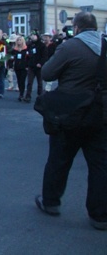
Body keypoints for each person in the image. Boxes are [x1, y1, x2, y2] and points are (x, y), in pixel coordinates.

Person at [35, 12, 107, 230]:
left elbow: (47, 73)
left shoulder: (71, 47)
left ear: (76, 28)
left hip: (70, 113)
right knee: (100, 165)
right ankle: (100, 214)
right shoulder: (105, 45)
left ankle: (51, 202)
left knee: (59, 158)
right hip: (101, 113)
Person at [24, 31, 46, 103]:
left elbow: (45, 56)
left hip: (39, 66)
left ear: (37, 36)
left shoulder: (42, 45)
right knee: (29, 82)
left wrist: (41, 63)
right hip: (31, 66)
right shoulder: (30, 45)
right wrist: (27, 64)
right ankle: (28, 96)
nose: (32, 37)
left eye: (34, 35)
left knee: (40, 82)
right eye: (31, 35)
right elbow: (27, 55)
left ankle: (40, 96)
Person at [9, 35, 29, 102]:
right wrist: (11, 66)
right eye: (18, 40)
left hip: (24, 67)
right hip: (17, 67)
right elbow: (11, 58)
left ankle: (22, 94)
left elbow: (28, 58)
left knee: (22, 81)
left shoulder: (26, 49)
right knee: (19, 80)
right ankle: (21, 93)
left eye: (20, 40)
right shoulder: (15, 49)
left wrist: (27, 66)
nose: (19, 41)